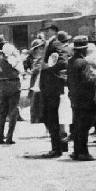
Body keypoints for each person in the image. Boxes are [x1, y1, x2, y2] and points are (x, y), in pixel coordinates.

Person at [38, 22, 70, 157]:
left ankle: (56, 148)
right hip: (48, 86)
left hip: (52, 87)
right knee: (49, 117)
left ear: (54, 31)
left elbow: (63, 61)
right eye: (44, 30)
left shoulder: (55, 44)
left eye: (47, 30)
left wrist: (48, 67)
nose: (45, 32)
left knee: (52, 118)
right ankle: (57, 147)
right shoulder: (49, 44)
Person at [67, 36, 96, 161]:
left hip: (75, 97)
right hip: (86, 98)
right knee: (85, 126)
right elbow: (87, 81)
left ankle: (77, 151)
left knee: (78, 125)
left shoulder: (71, 61)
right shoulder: (83, 62)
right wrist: (95, 76)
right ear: (84, 49)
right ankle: (83, 152)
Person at [0, 35, 22, 144]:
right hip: (13, 83)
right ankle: (9, 137)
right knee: (13, 111)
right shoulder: (9, 55)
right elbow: (19, 68)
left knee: (2, 112)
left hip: (0, 85)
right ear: (4, 44)